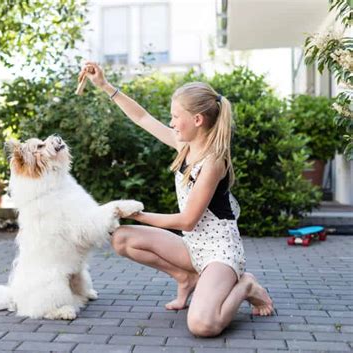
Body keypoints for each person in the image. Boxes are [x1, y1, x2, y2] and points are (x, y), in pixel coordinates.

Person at [80, 62, 274, 337]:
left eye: (175, 116)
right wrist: (105, 86)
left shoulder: (213, 162)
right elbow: (143, 118)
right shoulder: (184, 146)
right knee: (121, 238)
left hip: (219, 254)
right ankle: (186, 277)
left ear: (197, 120)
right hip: (192, 248)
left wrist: (137, 214)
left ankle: (247, 286)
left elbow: (188, 220)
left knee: (202, 325)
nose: (170, 122)